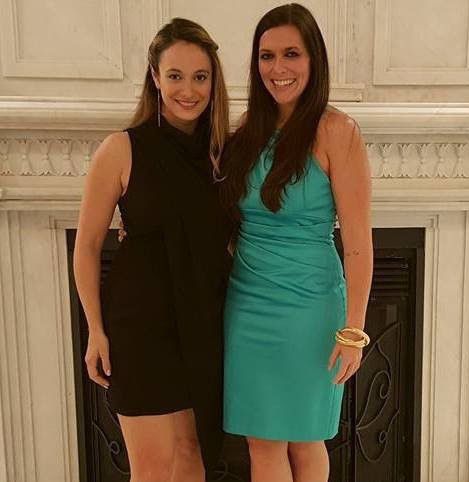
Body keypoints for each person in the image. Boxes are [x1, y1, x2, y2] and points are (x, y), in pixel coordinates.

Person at [73, 18, 231, 482]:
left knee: (193, 455)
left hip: (205, 324)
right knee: (153, 467)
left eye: (200, 77)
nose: (189, 90)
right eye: (175, 76)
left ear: (213, 82)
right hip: (140, 327)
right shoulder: (120, 149)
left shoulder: (227, 154)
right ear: (155, 78)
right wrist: (95, 330)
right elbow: (86, 247)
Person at [220, 4, 373, 482]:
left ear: (314, 60)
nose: (278, 68)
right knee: (261, 443)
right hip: (247, 304)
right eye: (267, 56)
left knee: (307, 439)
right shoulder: (245, 131)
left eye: (291, 54)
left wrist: (353, 330)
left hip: (312, 309)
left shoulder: (337, 132)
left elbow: (358, 243)